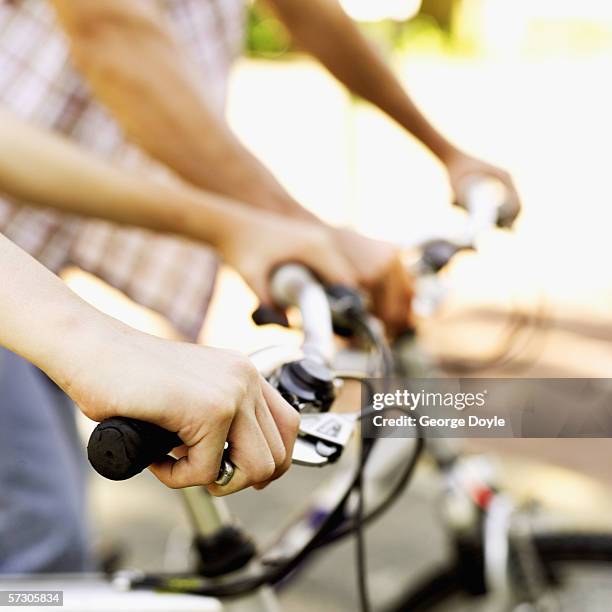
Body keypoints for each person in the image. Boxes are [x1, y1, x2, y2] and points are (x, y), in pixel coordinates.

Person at [0, 0, 520, 573]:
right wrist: (103, 343)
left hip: (29, 275)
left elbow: (305, 9)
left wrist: (446, 150)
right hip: (18, 269)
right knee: (42, 541)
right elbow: (112, 32)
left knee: (55, 528)